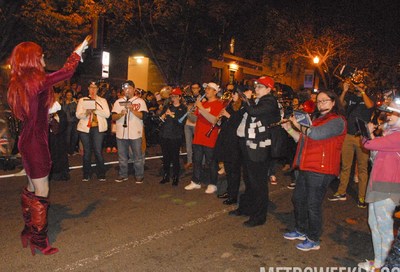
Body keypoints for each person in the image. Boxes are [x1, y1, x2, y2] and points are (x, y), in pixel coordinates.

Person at [7, 35, 90, 255]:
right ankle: (39, 240)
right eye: (41, 56)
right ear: (32, 60)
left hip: (27, 139)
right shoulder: (36, 82)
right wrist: (77, 52)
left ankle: (28, 230)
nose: (44, 58)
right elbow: (67, 72)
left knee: (33, 188)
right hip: (36, 141)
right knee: (42, 190)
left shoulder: (19, 82)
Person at [282, 90, 347, 251]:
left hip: (322, 168)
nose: (321, 104)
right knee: (298, 199)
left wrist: (299, 125)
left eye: (325, 101)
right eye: (318, 101)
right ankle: (301, 229)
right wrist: (289, 129)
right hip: (307, 166)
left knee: (313, 204)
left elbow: (316, 135)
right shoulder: (317, 119)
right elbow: (302, 139)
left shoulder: (337, 120)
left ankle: (313, 238)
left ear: (333, 102)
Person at [228, 76, 281, 227]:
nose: (256, 89)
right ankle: (246, 208)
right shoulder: (257, 101)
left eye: (260, 87)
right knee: (249, 180)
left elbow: (253, 112)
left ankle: (259, 216)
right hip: (247, 144)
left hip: (259, 148)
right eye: (256, 86)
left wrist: (246, 99)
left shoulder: (269, 101)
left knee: (258, 183)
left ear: (269, 89)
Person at [357, 99, 400, 271]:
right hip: (378, 182)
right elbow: (376, 150)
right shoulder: (391, 134)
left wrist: (366, 132)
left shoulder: (397, 135)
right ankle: (379, 262)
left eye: (392, 112)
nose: (387, 115)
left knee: (384, 228)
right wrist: (372, 134)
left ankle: (388, 265)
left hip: (388, 185)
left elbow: (368, 144)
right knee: (373, 223)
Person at [328, 81, 374, 208]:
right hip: (348, 136)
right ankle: (341, 192)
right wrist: (344, 91)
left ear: (365, 87)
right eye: (357, 84)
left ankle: (362, 197)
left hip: (362, 138)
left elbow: (370, 106)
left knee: (363, 168)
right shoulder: (351, 98)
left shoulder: (369, 99)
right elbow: (340, 105)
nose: (358, 86)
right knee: (345, 166)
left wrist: (363, 91)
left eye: (361, 84)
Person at [184, 82, 224, 194]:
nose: (206, 90)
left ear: (215, 91)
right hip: (198, 137)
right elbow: (194, 119)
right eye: (206, 89)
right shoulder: (203, 103)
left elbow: (214, 120)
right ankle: (195, 181)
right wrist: (188, 109)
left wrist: (201, 108)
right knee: (197, 161)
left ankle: (213, 183)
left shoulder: (219, 104)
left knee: (211, 162)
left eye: (209, 89)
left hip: (210, 137)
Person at [214, 86, 246, 204]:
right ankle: (229, 190)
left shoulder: (243, 108)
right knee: (228, 169)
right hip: (226, 140)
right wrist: (219, 120)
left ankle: (233, 195)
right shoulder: (230, 106)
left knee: (234, 171)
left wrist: (228, 116)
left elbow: (239, 124)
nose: (232, 96)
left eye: (234, 94)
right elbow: (225, 123)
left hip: (235, 143)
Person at [112, 80, 148, 183]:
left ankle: (139, 175)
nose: (127, 91)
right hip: (121, 133)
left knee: (137, 156)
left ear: (133, 89)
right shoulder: (118, 101)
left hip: (135, 132)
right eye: (125, 89)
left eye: (129, 88)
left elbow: (143, 116)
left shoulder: (140, 101)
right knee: (122, 156)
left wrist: (132, 110)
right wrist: (120, 115)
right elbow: (113, 116)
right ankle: (123, 174)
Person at [76, 80, 110, 182]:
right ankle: (86, 174)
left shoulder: (102, 101)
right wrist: (86, 112)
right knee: (87, 152)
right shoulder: (82, 100)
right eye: (91, 88)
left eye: (95, 88)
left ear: (97, 89)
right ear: (88, 89)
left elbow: (107, 114)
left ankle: (101, 173)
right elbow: (78, 115)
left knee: (98, 151)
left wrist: (95, 109)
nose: (93, 90)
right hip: (85, 128)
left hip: (97, 128)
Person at [158, 88, 187, 186]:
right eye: (172, 96)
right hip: (164, 135)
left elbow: (181, 122)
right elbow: (160, 118)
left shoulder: (183, 108)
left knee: (175, 157)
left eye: (175, 96)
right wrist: (163, 116)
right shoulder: (167, 106)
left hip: (175, 136)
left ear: (179, 97)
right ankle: (165, 176)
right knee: (165, 157)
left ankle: (175, 177)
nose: (173, 98)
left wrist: (172, 116)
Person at [183, 82, 202, 170]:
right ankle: (189, 161)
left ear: (199, 89)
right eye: (193, 88)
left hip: (197, 123)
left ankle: (200, 161)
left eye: (196, 88)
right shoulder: (189, 97)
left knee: (198, 144)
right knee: (188, 144)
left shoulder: (202, 97)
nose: (194, 90)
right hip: (188, 123)